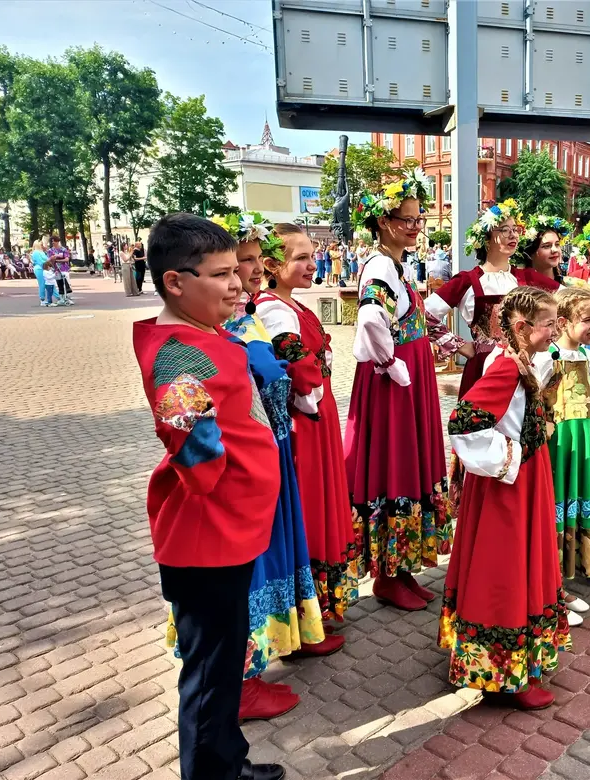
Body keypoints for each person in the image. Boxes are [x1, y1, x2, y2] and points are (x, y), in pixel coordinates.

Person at [132, 213, 286, 780]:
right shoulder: (179, 350)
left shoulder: (202, 336)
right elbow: (191, 442)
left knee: (224, 667)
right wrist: (232, 471)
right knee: (209, 673)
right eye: (221, 274)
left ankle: (227, 761)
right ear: (176, 282)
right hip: (207, 534)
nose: (238, 284)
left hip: (228, 530)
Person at [199, 212, 342, 721]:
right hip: (244, 460)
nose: (251, 273)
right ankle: (240, 682)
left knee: (271, 558)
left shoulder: (243, 319)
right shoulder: (214, 334)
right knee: (249, 569)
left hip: (271, 447)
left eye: (257, 261)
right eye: (240, 264)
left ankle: (263, 661)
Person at [438, 285, 571, 710]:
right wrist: (513, 456)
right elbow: (463, 424)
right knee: (506, 569)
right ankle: (505, 675)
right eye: (549, 323)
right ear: (521, 327)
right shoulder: (504, 369)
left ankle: (511, 660)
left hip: (525, 479)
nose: (556, 330)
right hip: (508, 488)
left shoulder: (524, 361)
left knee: (521, 564)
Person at [343, 172, 452, 612]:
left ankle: (402, 567)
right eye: (404, 219)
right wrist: (391, 363)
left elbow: (406, 317)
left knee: (410, 464)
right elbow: (371, 318)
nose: (414, 226)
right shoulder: (380, 265)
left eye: (416, 218)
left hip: (407, 377)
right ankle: (389, 575)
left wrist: (439, 339)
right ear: (382, 222)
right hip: (394, 386)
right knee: (396, 465)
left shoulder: (397, 264)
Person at [255, 223, 360, 626]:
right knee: (311, 504)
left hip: (318, 413)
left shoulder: (292, 305)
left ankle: (317, 605)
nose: (311, 262)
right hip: (308, 418)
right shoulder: (273, 309)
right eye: (300, 257)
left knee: (320, 498)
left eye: (311, 254)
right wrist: (313, 395)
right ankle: (306, 609)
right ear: (271, 264)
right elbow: (297, 367)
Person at [426, 200, 559, 398]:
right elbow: (424, 313)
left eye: (515, 229)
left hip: (525, 365)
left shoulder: (526, 277)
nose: (512, 234)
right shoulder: (467, 280)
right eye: (504, 230)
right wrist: (461, 345)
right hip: (484, 367)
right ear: (486, 238)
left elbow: (570, 299)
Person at [532, 286, 590, 627]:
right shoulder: (548, 358)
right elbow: (535, 399)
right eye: (587, 319)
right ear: (563, 322)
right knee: (557, 508)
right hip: (560, 443)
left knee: (576, 503)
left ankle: (563, 580)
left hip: (585, 440)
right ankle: (550, 588)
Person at [516, 214, 570, 284]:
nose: (555, 250)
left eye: (557, 244)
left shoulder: (572, 286)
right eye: (547, 246)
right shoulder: (519, 285)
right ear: (531, 253)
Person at [48, 236, 74, 305]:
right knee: (59, 283)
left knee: (66, 283)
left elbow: (67, 259)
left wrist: (57, 260)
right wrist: (52, 259)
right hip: (56, 269)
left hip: (64, 268)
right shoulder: (51, 250)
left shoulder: (63, 249)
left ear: (57, 241)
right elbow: (49, 260)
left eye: (54, 241)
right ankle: (61, 298)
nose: (53, 242)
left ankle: (68, 297)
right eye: (52, 241)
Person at [30, 240, 49, 305]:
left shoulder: (42, 252)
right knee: (42, 284)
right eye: (41, 245)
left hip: (44, 268)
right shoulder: (36, 252)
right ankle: (42, 299)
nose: (42, 246)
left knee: (49, 283)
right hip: (39, 269)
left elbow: (46, 259)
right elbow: (40, 262)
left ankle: (58, 297)